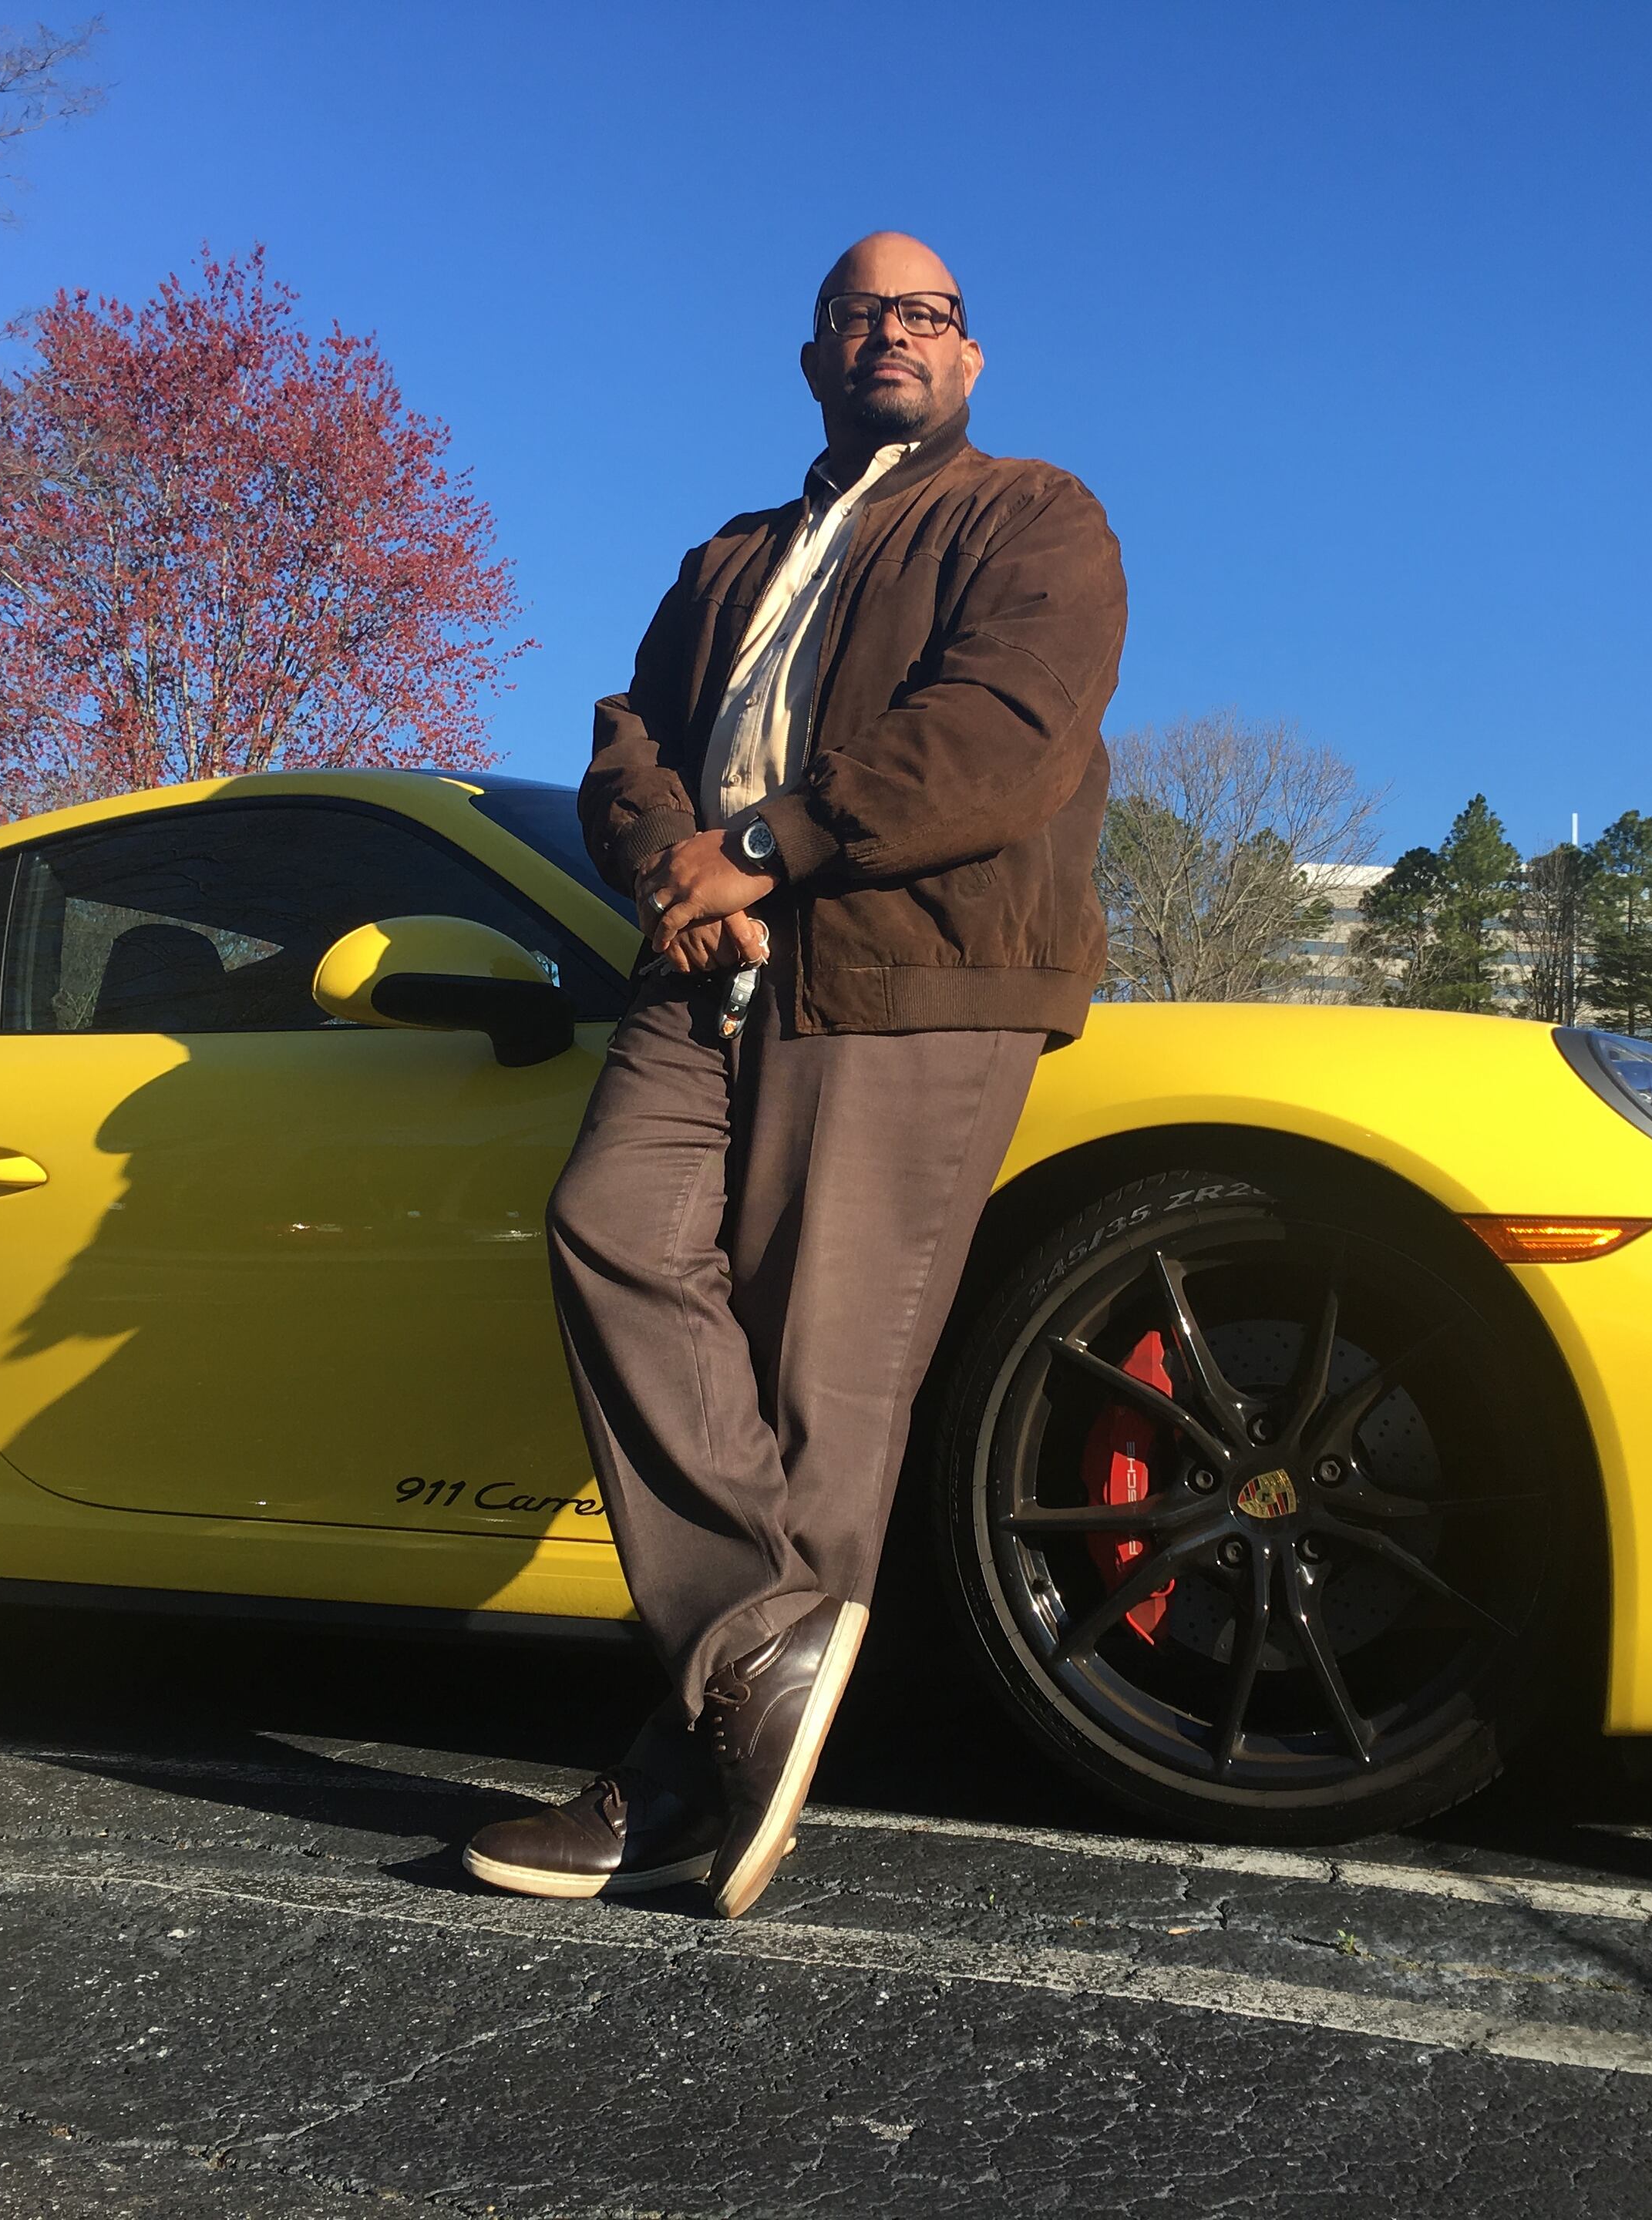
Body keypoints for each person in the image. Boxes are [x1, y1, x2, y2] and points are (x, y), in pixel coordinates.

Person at [462, 233, 1127, 1916]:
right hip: (710, 975)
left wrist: (767, 843)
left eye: (927, 314)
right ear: (814, 354)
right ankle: (753, 1660)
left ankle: (688, 1772)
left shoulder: (1029, 516)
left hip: (913, 971)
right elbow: (629, 741)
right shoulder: (731, 555)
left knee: (827, 1372)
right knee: (611, 1229)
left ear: (969, 356)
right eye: (860, 315)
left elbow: (1007, 730)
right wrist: (676, 868)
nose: (893, 334)